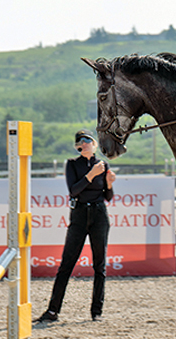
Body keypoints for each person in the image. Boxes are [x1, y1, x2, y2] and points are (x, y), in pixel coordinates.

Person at [35, 129, 116, 323]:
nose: (84, 143)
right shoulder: (72, 165)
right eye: (81, 141)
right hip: (79, 214)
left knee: (100, 266)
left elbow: (107, 197)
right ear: (77, 146)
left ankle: (97, 312)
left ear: (94, 144)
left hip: (99, 215)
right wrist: (90, 175)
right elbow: (73, 191)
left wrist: (110, 184)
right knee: (66, 264)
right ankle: (53, 311)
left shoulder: (103, 165)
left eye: (88, 139)